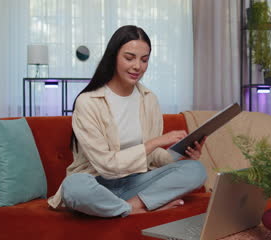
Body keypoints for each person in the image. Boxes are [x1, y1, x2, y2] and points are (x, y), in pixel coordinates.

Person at [47, 25, 207, 217]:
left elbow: (152, 156)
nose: (137, 66)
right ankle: (135, 208)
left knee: (195, 170)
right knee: (73, 187)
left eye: (144, 59)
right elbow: (106, 165)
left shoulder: (149, 99)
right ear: (113, 56)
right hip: (97, 183)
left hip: (136, 182)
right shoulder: (88, 102)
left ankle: (125, 206)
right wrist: (156, 142)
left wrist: (181, 155)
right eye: (129, 58)